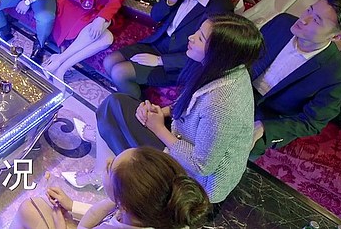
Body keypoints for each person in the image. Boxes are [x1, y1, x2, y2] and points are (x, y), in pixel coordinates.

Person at [96, 13, 263, 203]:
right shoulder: (226, 69)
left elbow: (201, 166)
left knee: (114, 120)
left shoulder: (223, 103)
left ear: (219, 53)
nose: (191, 37)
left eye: (201, 38)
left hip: (195, 181)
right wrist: (161, 112)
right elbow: (192, 102)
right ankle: (110, 172)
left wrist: (158, 128)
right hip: (183, 137)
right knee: (115, 104)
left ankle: (120, 182)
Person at [103, 0, 235, 99]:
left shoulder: (220, 6)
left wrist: (160, 60)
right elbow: (155, 16)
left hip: (183, 60)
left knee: (120, 72)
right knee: (109, 61)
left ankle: (135, 109)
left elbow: (207, 53)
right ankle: (133, 97)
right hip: (158, 43)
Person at [250, 0, 341, 157]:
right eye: (309, 10)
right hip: (240, 88)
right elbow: (245, 53)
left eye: (317, 20)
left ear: (336, 36)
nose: (303, 19)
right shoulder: (281, 22)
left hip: (270, 117)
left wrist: (264, 127)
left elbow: (312, 122)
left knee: (241, 148)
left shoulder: (337, 77)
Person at [13, 147, 210, 229]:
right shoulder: (160, 212)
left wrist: (60, 223)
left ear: (124, 205)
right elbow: (103, 210)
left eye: (109, 168)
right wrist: (72, 205)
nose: (107, 160)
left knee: (29, 207)